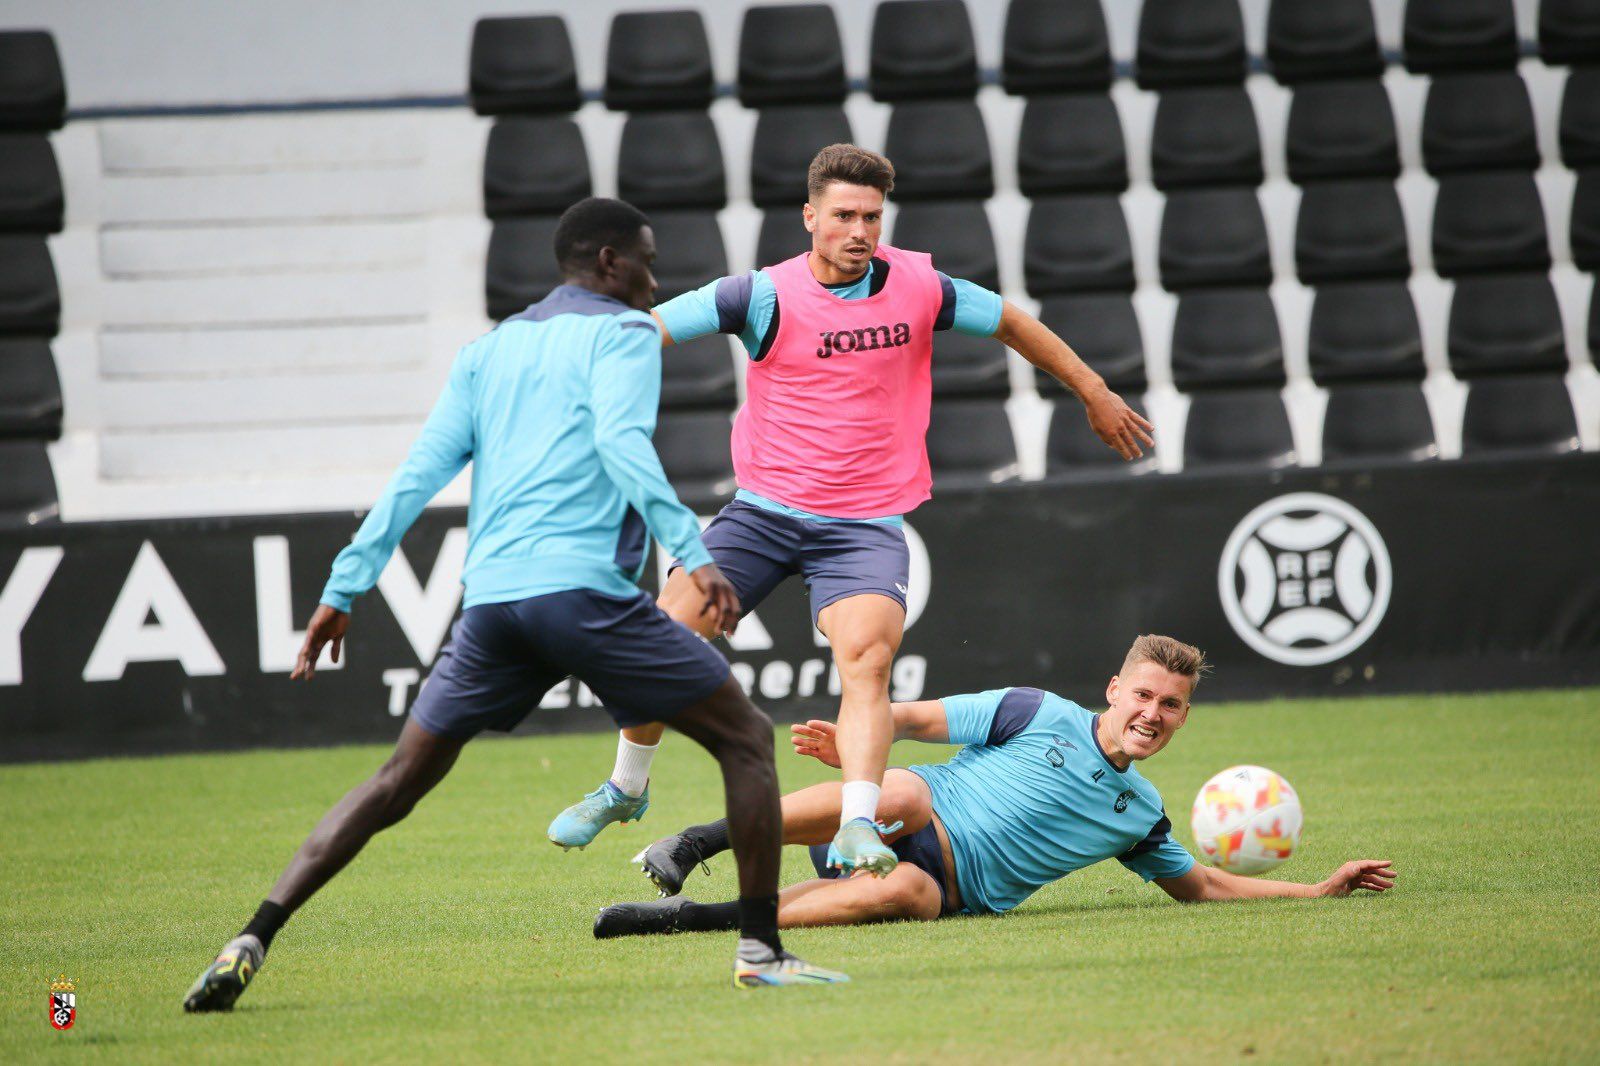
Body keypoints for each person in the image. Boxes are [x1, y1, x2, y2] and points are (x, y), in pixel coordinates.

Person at [182, 198, 845, 1010]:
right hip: (587, 597)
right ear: (607, 262)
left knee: (395, 782)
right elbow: (620, 443)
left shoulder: (486, 352)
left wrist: (343, 587)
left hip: (492, 607)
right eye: (646, 259)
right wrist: (696, 556)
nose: (655, 277)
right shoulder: (627, 334)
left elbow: (414, 478)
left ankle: (253, 934)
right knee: (745, 740)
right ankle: (759, 949)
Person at [548, 144, 1155, 880]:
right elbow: (649, 329)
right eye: (843, 215)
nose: (859, 230)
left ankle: (859, 823)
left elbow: (1012, 324)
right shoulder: (761, 295)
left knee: (867, 664)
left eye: (871, 215)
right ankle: (626, 787)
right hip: (764, 513)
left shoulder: (919, 286)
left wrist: (1093, 390)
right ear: (810, 217)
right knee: (661, 639)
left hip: (864, 524)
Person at [592, 635, 1397, 938]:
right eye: (1143, 695)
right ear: (1114, 688)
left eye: (1171, 706)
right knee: (902, 794)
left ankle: (684, 922)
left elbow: (1203, 886)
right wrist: (855, 749)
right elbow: (901, 714)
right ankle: (694, 842)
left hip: (946, 884)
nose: (1153, 713)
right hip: (888, 815)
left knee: (907, 893)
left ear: (1184, 718)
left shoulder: (1140, 815)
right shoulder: (1035, 710)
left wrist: (1315, 892)